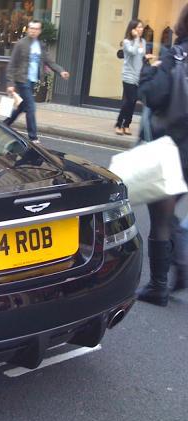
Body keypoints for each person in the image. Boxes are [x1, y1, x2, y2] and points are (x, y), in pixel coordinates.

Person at [136, 4, 188, 305]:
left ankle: (158, 286)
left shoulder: (175, 55)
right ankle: (180, 265)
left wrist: (148, 72)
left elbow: (153, 95)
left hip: (172, 150)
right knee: (170, 212)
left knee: (160, 218)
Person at [4, 19, 70, 143]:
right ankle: (33, 137)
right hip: (22, 79)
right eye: (31, 28)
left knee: (23, 105)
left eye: (36, 29)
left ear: (39, 31)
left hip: (33, 80)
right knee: (31, 107)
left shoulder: (41, 45)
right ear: (28, 29)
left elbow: (49, 61)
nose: (33, 31)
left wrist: (61, 71)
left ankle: (6, 123)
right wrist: (10, 83)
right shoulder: (20, 44)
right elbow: (12, 64)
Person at [115, 20, 152, 136]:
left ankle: (126, 125)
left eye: (141, 27)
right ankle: (119, 124)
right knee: (129, 101)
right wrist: (136, 39)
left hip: (138, 76)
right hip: (128, 76)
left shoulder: (143, 41)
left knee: (133, 101)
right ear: (133, 29)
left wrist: (147, 57)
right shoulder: (127, 42)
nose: (141, 29)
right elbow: (132, 52)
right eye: (139, 27)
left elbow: (140, 56)